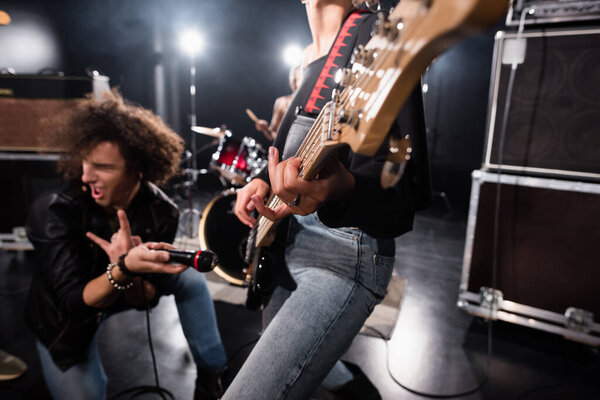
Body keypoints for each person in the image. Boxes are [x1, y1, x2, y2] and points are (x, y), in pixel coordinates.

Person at [228, 0, 431, 399]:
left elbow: (403, 186)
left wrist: (346, 187)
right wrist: (260, 180)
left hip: (343, 254)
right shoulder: (311, 57)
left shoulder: (379, 34)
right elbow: (292, 151)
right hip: (286, 244)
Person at [25, 90, 227, 400]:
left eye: (102, 167)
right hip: (66, 318)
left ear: (137, 169)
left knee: (189, 277)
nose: (85, 175)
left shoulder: (161, 211)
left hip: (118, 285)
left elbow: (143, 300)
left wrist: (127, 270)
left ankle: (212, 371)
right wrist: (123, 268)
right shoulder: (54, 211)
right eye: (85, 162)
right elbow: (74, 303)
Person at [254, 64, 303, 141]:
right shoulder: (282, 102)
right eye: (301, 78)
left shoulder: (312, 106)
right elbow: (273, 134)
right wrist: (265, 128)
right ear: (294, 81)